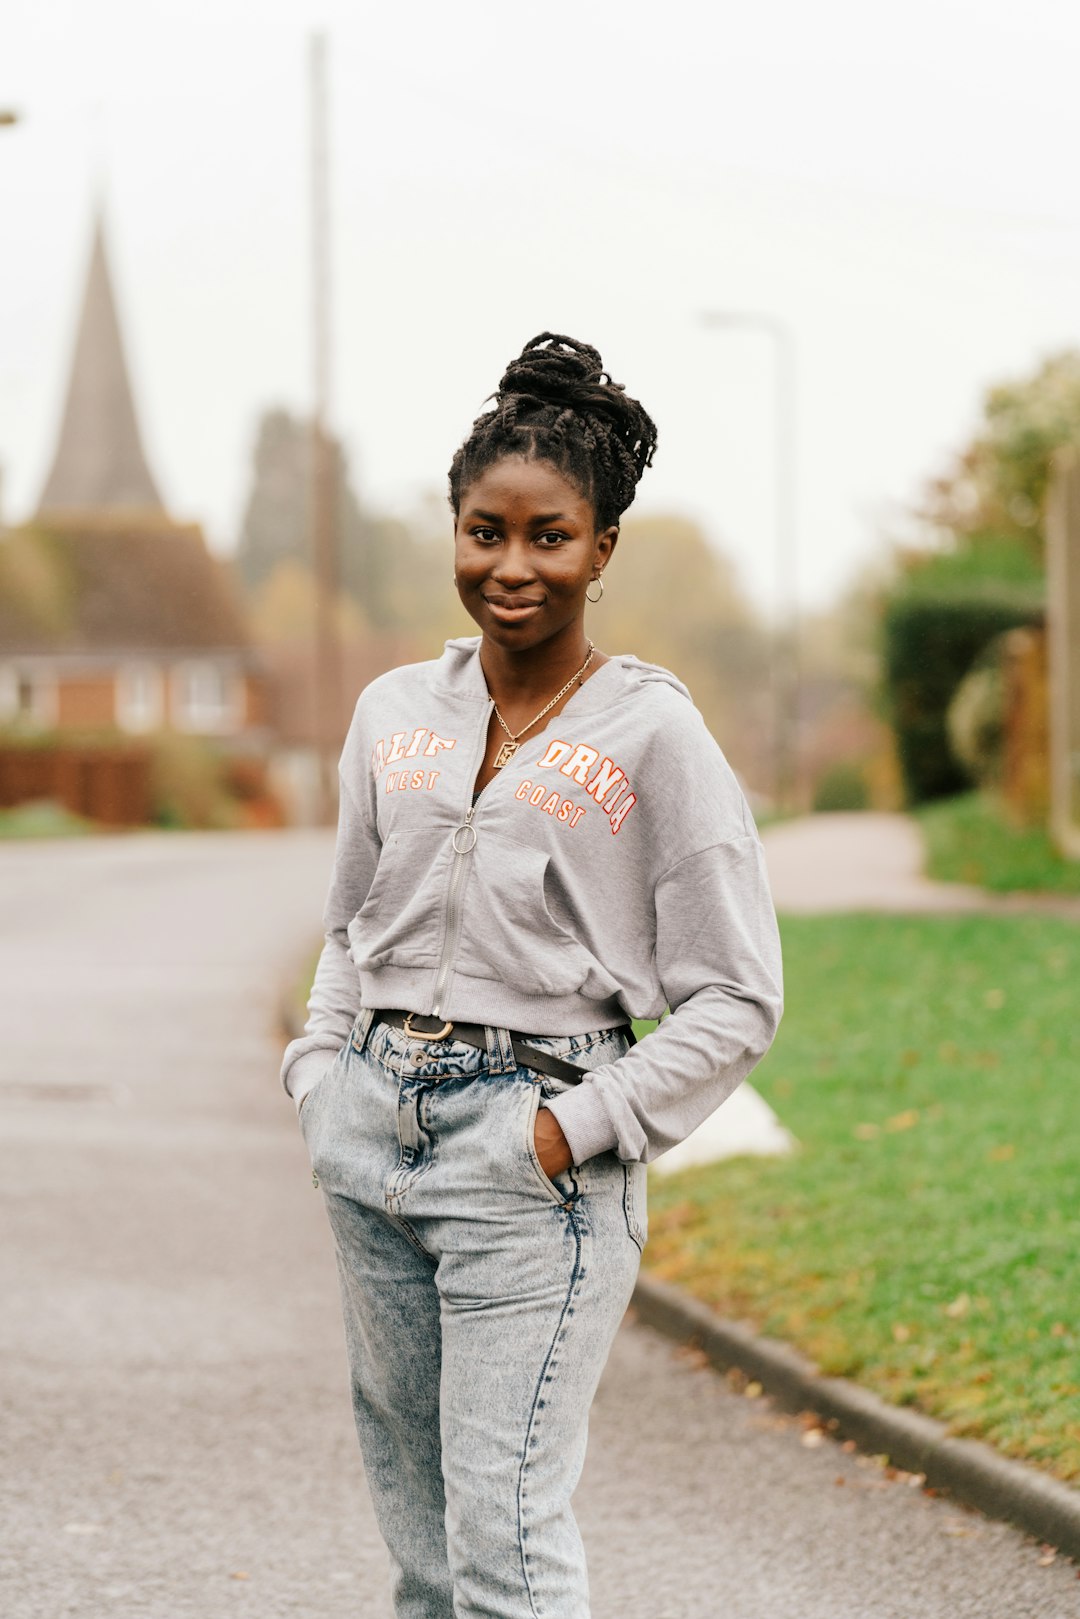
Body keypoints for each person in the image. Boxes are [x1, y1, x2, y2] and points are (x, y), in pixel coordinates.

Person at [281, 332, 783, 1619]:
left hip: (533, 1157)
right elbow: (350, 924)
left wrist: (573, 1129)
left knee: (504, 1542)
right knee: (427, 1550)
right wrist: (319, 1077)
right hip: (372, 1136)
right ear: (452, 531)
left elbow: (736, 991)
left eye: (549, 536)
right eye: (484, 532)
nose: (512, 566)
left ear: (601, 548)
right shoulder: (394, 712)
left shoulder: (655, 730)